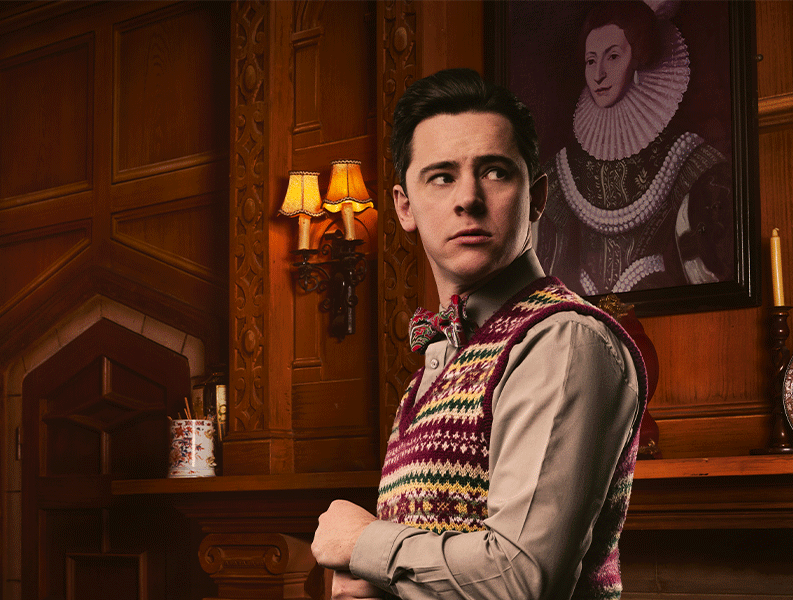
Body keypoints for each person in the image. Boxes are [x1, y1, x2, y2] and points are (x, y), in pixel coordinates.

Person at [310, 68, 648, 600]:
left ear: (535, 197)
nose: (467, 197)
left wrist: (364, 543)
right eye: (441, 176)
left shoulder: (564, 340)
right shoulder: (444, 355)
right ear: (404, 207)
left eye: (494, 172)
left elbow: (521, 580)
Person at [534, 0, 733, 296]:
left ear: (638, 58)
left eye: (612, 57)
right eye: (591, 60)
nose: (598, 74)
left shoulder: (685, 157)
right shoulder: (561, 169)